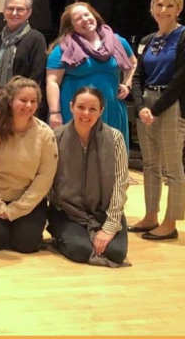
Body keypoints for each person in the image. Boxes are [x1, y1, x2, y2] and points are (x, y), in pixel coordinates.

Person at [128, 0, 185, 241]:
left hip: (171, 104)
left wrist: (155, 110)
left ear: (179, 9)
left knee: (172, 168)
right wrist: (140, 106)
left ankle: (170, 223)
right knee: (150, 165)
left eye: (170, 5)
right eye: (159, 4)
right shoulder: (147, 40)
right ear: (152, 8)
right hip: (146, 103)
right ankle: (150, 216)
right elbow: (137, 77)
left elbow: (182, 78)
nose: (163, 10)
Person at [47, 87, 129, 266]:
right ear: (71, 107)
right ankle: (65, 236)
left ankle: (94, 234)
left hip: (104, 211)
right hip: (68, 212)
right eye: (81, 107)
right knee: (80, 250)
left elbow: (120, 184)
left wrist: (109, 227)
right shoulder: (55, 137)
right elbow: (47, 181)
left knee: (116, 253)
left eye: (93, 109)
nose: (86, 113)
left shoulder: (115, 138)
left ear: (101, 111)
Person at [45, 2, 136, 146]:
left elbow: (133, 64)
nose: (85, 20)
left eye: (87, 14)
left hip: (110, 107)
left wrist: (127, 84)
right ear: (71, 26)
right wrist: (55, 112)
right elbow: (52, 81)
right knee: (74, 156)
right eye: (78, 18)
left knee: (109, 157)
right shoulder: (64, 48)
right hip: (76, 112)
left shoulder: (117, 41)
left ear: (94, 15)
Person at [0, 77, 58, 253]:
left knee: (26, 245)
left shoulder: (45, 133)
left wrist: (16, 210)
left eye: (33, 101)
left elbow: (45, 176)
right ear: (10, 101)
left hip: (27, 202)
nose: (28, 106)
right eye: (23, 100)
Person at [0, 0, 48, 117]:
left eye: (20, 9)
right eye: (10, 8)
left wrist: (13, 95)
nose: (14, 13)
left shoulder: (36, 38)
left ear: (29, 12)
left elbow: (36, 74)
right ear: (4, 11)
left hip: (23, 103)